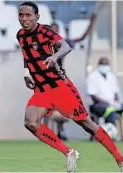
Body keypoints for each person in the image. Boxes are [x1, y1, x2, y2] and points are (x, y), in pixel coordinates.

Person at [17, 1, 123, 172]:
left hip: (60, 87)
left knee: (88, 125)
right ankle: (69, 152)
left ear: (37, 17)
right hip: (41, 89)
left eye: (28, 15)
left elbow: (66, 46)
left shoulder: (45, 31)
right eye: (21, 15)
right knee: (30, 122)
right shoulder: (20, 36)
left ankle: (121, 159)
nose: (24, 19)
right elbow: (27, 56)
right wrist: (27, 75)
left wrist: (55, 57)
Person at [43, 12, 97, 141]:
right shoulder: (42, 44)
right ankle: (45, 133)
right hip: (46, 79)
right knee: (47, 105)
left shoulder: (62, 43)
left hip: (60, 78)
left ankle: (60, 132)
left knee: (63, 106)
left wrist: (91, 24)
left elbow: (81, 38)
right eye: (51, 30)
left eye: (55, 30)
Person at [87, 57, 123, 141]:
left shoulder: (111, 76)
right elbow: (93, 96)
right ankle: (111, 137)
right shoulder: (92, 77)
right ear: (99, 65)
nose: (105, 66)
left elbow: (115, 92)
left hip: (112, 103)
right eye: (103, 64)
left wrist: (116, 101)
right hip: (98, 105)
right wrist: (107, 102)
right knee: (110, 110)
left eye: (107, 64)